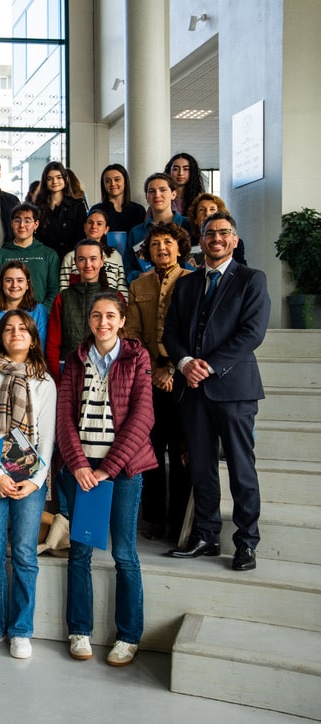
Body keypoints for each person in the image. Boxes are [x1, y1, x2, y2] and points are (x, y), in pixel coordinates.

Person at [164, 212, 271, 572]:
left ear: (235, 240)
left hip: (234, 390)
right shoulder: (187, 284)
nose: (217, 239)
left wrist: (206, 366)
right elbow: (171, 333)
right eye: (210, 233)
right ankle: (206, 535)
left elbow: (252, 333)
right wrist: (183, 363)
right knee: (201, 468)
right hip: (192, 391)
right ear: (202, 240)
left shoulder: (252, 280)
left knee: (241, 468)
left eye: (224, 233)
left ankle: (246, 542)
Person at [57, 292, 156, 667]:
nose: (102, 323)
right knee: (80, 553)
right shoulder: (76, 358)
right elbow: (64, 417)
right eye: (96, 315)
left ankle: (128, 636)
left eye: (110, 316)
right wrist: (80, 466)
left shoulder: (137, 357)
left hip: (123, 471)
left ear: (122, 320)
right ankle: (79, 630)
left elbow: (143, 417)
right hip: (82, 472)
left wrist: (106, 469)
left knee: (125, 554)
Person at [0, 310, 56, 659]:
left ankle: (20, 630)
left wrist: (36, 480)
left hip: (30, 478)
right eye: (9, 329)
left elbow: (47, 434)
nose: (16, 333)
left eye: (23, 329)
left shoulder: (45, 382)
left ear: (33, 338)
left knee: (23, 554)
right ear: (0, 336)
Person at [126, 222, 193, 542]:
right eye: (155, 244)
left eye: (168, 242)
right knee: (150, 451)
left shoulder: (193, 282)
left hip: (184, 380)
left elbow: (197, 335)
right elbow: (133, 335)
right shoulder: (139, 285)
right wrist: (154, 371)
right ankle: (154, 519)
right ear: (147, 251)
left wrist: (174, 370)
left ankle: (180, 522)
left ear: (180, 247)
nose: (162, 248)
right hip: (150, 381)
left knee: (183, 454)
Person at [46, 238, 124, 379]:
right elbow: (53, 343)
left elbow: (123, 338)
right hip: (68, 368)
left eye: (93, 259)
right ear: (75, 262)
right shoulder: (63, 297)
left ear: (102, 261)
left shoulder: (115, 296)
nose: (88, 264)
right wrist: (57, 379)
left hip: (107, 369)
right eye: (82, 259)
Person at [0, 261, 49, 360]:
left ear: (27, 284)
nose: (14, 285)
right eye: (9, 280)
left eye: (20, 280)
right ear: (1, 284)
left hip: (29, 370)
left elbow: (40, 348)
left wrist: (22, 371)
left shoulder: (39, 311)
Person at [124, 173, 188, 284]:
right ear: (146, 197)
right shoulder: (136, 232)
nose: (157, 195)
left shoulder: (188, 225)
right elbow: (128, 268)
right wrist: (141, 276)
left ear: (173, 194)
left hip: (183, 287)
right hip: (147, 289)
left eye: (163, 190)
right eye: (152, 191)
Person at [0, 203, 60, 309]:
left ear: (36, 224)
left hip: (40, 317)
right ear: (11, 223)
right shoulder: (0, 254)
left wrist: (41, 313)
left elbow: (54, 290)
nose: (22, 225)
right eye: (17, 220)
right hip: (7, 315)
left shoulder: (49, 254)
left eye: (27, 221)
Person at [58, 208, 128, 298]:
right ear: (84, 227)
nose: (94, 226)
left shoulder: (115, 256)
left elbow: (122, 287)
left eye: (99, 224)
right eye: (90, 222)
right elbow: (64, 289)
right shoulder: (71, 257)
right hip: (77, 306)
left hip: (110, 306)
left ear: (106, 229)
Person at [33, 162, 87, 258]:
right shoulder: (37, 207)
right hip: (45, 257)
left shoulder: (77, 206)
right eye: (50, 179)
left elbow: (81, 236)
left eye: (59, 177)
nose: (55, 182)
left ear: (65, 179)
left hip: (70, 258)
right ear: (45, 181)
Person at [187, 193, 247, 265]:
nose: (207, 213)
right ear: (195, 219)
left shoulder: (231, 241)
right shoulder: (186, 243)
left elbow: (240, 270)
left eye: (212, 209)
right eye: (202, 210)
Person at [89, 164, 145, 233]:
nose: (112, 184)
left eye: (117, 179)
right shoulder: (96, 210)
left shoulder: (138, 210)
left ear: (125, 182)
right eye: (107, 181)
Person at [165, 152, 205, 217]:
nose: (180, 173)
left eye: (186, 169)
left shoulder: (200, 200)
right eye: (175, 169)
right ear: (169, 171)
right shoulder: (161, 197)